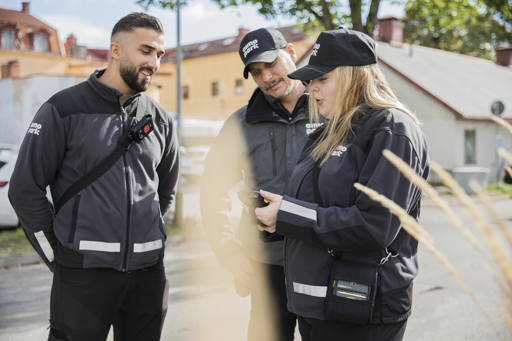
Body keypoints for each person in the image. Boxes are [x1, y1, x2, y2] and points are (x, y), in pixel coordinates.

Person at [8, 13, 179, 341]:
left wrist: (150, 239)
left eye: (159, 54)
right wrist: (59, 256)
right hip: (82, 274)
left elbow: (164, 191)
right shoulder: (63, 108)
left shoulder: (160, 119)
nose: (154, 62)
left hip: (148, 276)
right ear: (115, 50)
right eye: (146, 51)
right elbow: (24, 189)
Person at [254, 28, 430, 341]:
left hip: (360, 308)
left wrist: (288, 215)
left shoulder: (392, 129)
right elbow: (315, 208)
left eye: (323, 79)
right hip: (316, 307)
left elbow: (375, 225)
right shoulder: (326, 132)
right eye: (311, 80)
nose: (313, 89)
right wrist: (274, 215)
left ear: (357, 76)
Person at [200, 28, 322, 341]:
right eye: (256, 72)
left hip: (323, 255)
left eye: (271, 64)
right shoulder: (241, 123)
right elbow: (212, 189)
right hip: (267, 263)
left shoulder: (329, 107)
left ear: (292, 53)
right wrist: (227, 250)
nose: (267, 76)